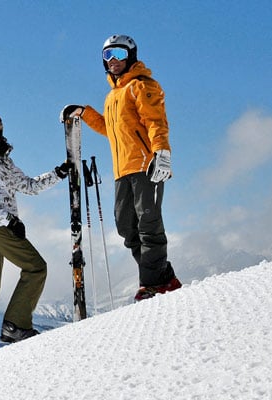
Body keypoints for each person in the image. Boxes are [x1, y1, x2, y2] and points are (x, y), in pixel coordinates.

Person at [62, 34, 182, 302]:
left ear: (131, 56)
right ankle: (164, 277)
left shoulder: (142, 86)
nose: (113, 60)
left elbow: (156, 121)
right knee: (126, 226)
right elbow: (110, 129)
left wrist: (161, 153)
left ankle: (151, 284)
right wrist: (85, 113)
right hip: (122, 171)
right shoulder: (112, 96)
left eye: (119, 53)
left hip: (146, 166)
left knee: (148, 224)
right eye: (107, 55)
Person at [0, 110, 72, 356]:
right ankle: (15, 325)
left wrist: (57, 174)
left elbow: (28, 186)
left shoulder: (3, 162)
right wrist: (9, 221)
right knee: (36, 267)